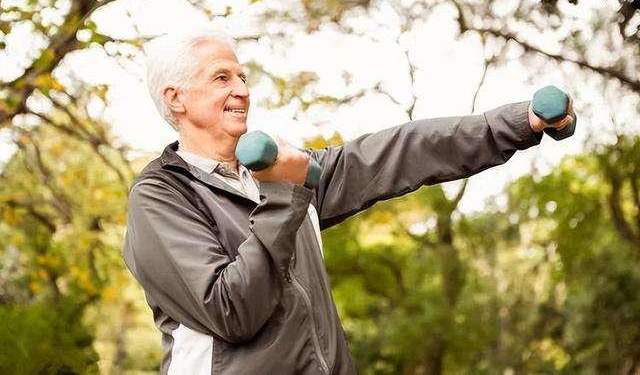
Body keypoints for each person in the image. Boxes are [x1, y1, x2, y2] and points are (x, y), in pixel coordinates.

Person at [122, 25, 574, 375]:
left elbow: (400, 151)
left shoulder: (282, 176)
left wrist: (518, 123)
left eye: (242, 76)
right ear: (176, 99)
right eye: (221, 77)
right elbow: (231, 310)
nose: (241, 89)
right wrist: (283, 193)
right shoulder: (160, 196)